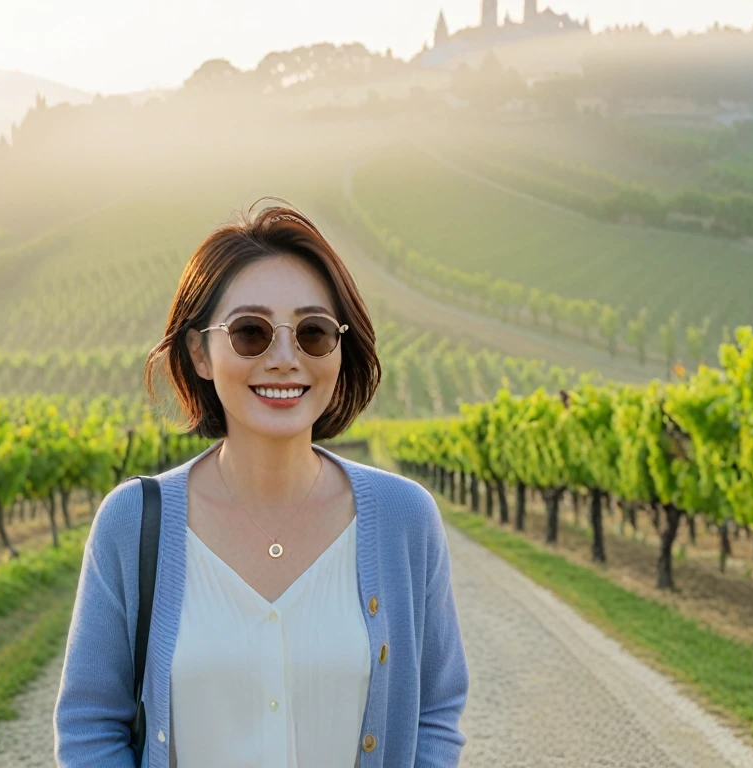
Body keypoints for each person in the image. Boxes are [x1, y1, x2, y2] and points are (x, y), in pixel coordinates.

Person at [54, 199, 470, 767]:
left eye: (313, 333)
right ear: (200, 351)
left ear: (340, 347)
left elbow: (435, 713)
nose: (284, 358)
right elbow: (89, 727)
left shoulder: (404, 518)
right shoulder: (132, 523)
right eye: (250, 332)